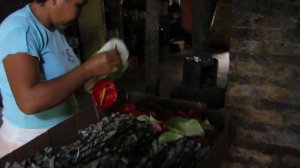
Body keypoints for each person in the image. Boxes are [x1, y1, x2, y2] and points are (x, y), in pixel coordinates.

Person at [0, 0, 121, 158]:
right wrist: (87, 69)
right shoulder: (21, 30)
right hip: (29, 144)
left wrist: (96, 73)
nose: (79, 14)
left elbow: (63, 81)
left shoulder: (54, 29)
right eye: (78, 6)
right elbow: (29, 101)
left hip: (60, 134)